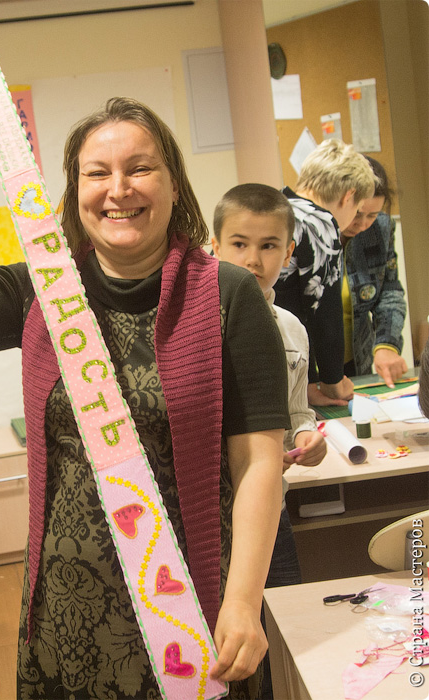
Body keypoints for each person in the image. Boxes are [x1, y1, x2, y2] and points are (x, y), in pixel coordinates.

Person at [0, 86, 291, 699]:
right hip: (65, 614)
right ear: (74, 191)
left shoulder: (229, 294)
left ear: (174, 184)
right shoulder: (41, 289)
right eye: (97, 173)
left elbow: (258, 462)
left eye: (141, 169)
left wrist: (242, 601)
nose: (118, 189)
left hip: (192, 612)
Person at [212, 183, 327, 698]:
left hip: (272, 514)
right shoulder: (197, 327)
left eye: (268, 246)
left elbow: (298, 410)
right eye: (239, 244)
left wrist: (307, 438)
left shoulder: (293, 329)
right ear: (214, 245)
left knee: (282, 639)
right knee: (222, 653)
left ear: (289, 251)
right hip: (213, 518)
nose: (253, 260)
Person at [273, 139, 377, 407]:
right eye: (357, 209)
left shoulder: (274, 207)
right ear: (348, 196)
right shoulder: (320, 221)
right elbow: (323, 311)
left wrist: (307, 384)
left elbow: (292, 302)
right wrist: (334, 381)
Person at [340, 156, 408, 388]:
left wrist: (387, 344)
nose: (363, 224)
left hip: (357, 362)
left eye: (372, 215)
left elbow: (390, 292)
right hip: (310, 366)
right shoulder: (311, 233)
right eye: (357, 213)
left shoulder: (381, 228)